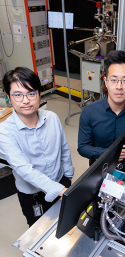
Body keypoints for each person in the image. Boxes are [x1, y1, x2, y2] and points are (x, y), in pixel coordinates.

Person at [0, 67, 74, 227]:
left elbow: (64, 149)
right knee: (39, 230)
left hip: (60, 182)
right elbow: (24, 169)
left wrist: (68, 177)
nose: (25, 101)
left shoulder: (52, 118)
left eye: (31, 93)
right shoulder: (4, 132)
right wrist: (59, 189)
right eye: (18, 95)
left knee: (64, 223)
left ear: (40, 93)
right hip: (32, 195)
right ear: (9, 98)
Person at [78, 50, 125, 173]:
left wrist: (122, 161)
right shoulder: (89, 112)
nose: (119, 86)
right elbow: (83, 147)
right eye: (114, 80)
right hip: (96, 172)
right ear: (105, 81)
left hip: (124, 171)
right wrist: (108, 154)